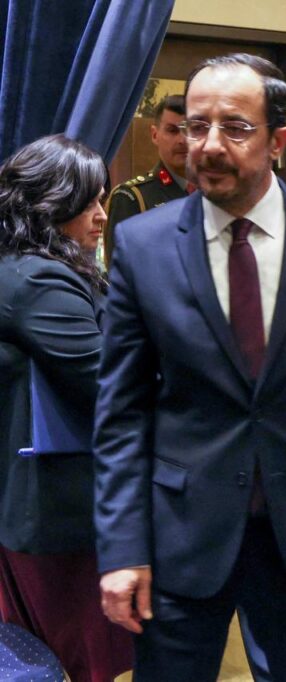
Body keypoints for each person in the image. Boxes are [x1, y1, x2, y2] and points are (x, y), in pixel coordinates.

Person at [93, 53, 286, 681]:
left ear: (278, 141)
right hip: (183, 533)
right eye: (196, 126)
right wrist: (122, 547)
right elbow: (121, 415)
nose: (209, 145)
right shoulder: (143, 244)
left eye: (235, 128)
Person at [0, 134, 133, 681]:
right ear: (49, 202)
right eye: (89, 202)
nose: (101, 216)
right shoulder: (40, 278)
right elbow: (109, 386)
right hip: (62, 511)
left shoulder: (25, 266)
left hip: (44, 503)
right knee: (78, 662)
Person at [103, 94, 189, 267]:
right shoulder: (132, 197)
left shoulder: (211, 194)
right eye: (172, 130)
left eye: (189, 130)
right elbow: (119, 271)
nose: (182, 140)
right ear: (155, 135)